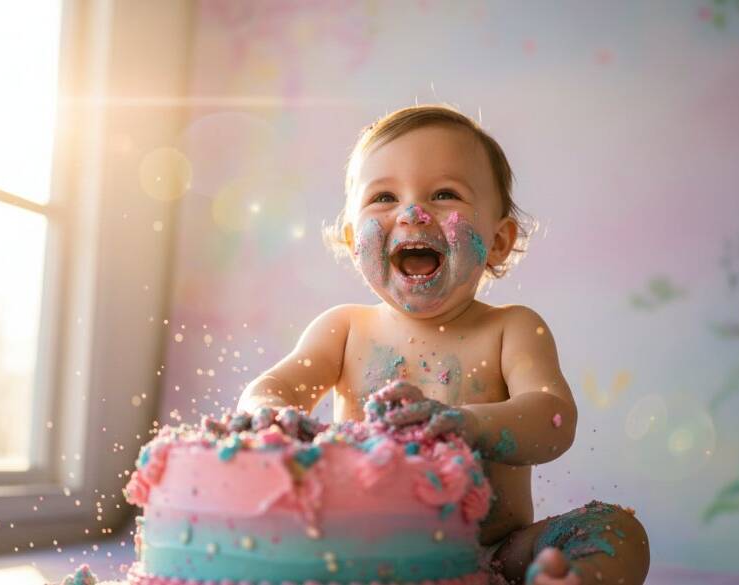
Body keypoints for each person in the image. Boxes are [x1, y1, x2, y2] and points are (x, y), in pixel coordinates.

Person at [237, 104, 650, 585]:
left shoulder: (510, 329)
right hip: (358, 555)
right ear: (353, 242)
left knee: (617, 529)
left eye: (444, 194)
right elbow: (272, 388)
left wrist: (468, 424)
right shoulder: (344, 329)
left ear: (498, 241)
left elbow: (553, 419)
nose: (413, 213)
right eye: (385, 197)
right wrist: (268, 416)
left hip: (491, 554)